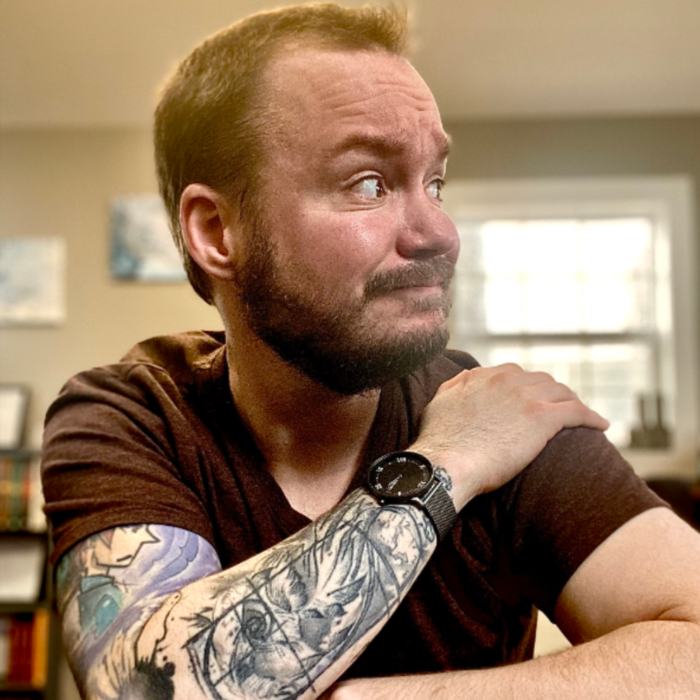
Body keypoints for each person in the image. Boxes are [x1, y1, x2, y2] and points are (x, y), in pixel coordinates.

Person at [41, 4, 700, 699]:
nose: (440, 233)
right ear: (216, 231)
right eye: (369, 183)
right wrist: (445, 463)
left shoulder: (506, 416)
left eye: (435, 182)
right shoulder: (130, 416)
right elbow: (144, 688)